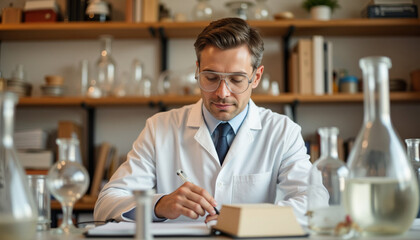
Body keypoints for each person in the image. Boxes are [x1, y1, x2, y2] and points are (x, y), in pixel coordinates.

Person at [94, 17, 312, 225]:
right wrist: (159, 204)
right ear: (197, 70)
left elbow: (312, 201)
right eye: (211, 77)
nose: (222, 93)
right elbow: (106, 203)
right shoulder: (160, 128)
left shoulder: (283, 131)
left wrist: (245, 220)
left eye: (236, 80)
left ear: (256, 77)